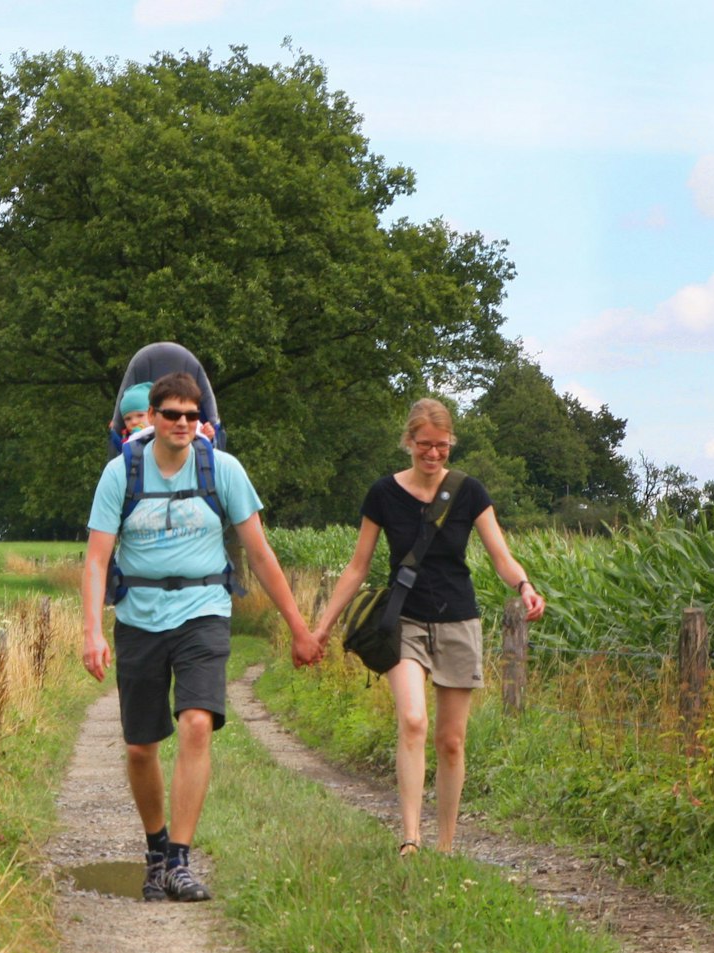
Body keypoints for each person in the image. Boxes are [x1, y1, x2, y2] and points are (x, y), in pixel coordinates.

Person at [81, 370, 322, 902]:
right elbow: (97, 559)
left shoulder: (224, 470)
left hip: (204, 611)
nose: (183, 424)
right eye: (172, 415)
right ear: (154, 418)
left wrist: (299, 628)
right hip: (139, 618)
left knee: (196, 724)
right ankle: (155, 848)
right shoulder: (121, 473)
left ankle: (180, 862)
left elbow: (259, 552)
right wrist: (93, 631)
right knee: (141, 747)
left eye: (193, 416)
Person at [311, 397, 547, 856]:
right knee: (414, 720)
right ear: (408, 442)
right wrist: (322, 627)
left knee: (452, 741)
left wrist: (524, 586)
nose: (433, 454)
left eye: (442, 446)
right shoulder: (383, 494)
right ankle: (410, 837)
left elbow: (500, 554)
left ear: (451, 444)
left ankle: (445, 845)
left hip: (459, 620)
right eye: (424, 445)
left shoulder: (469, 492)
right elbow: (358, 567)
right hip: (404, 622)